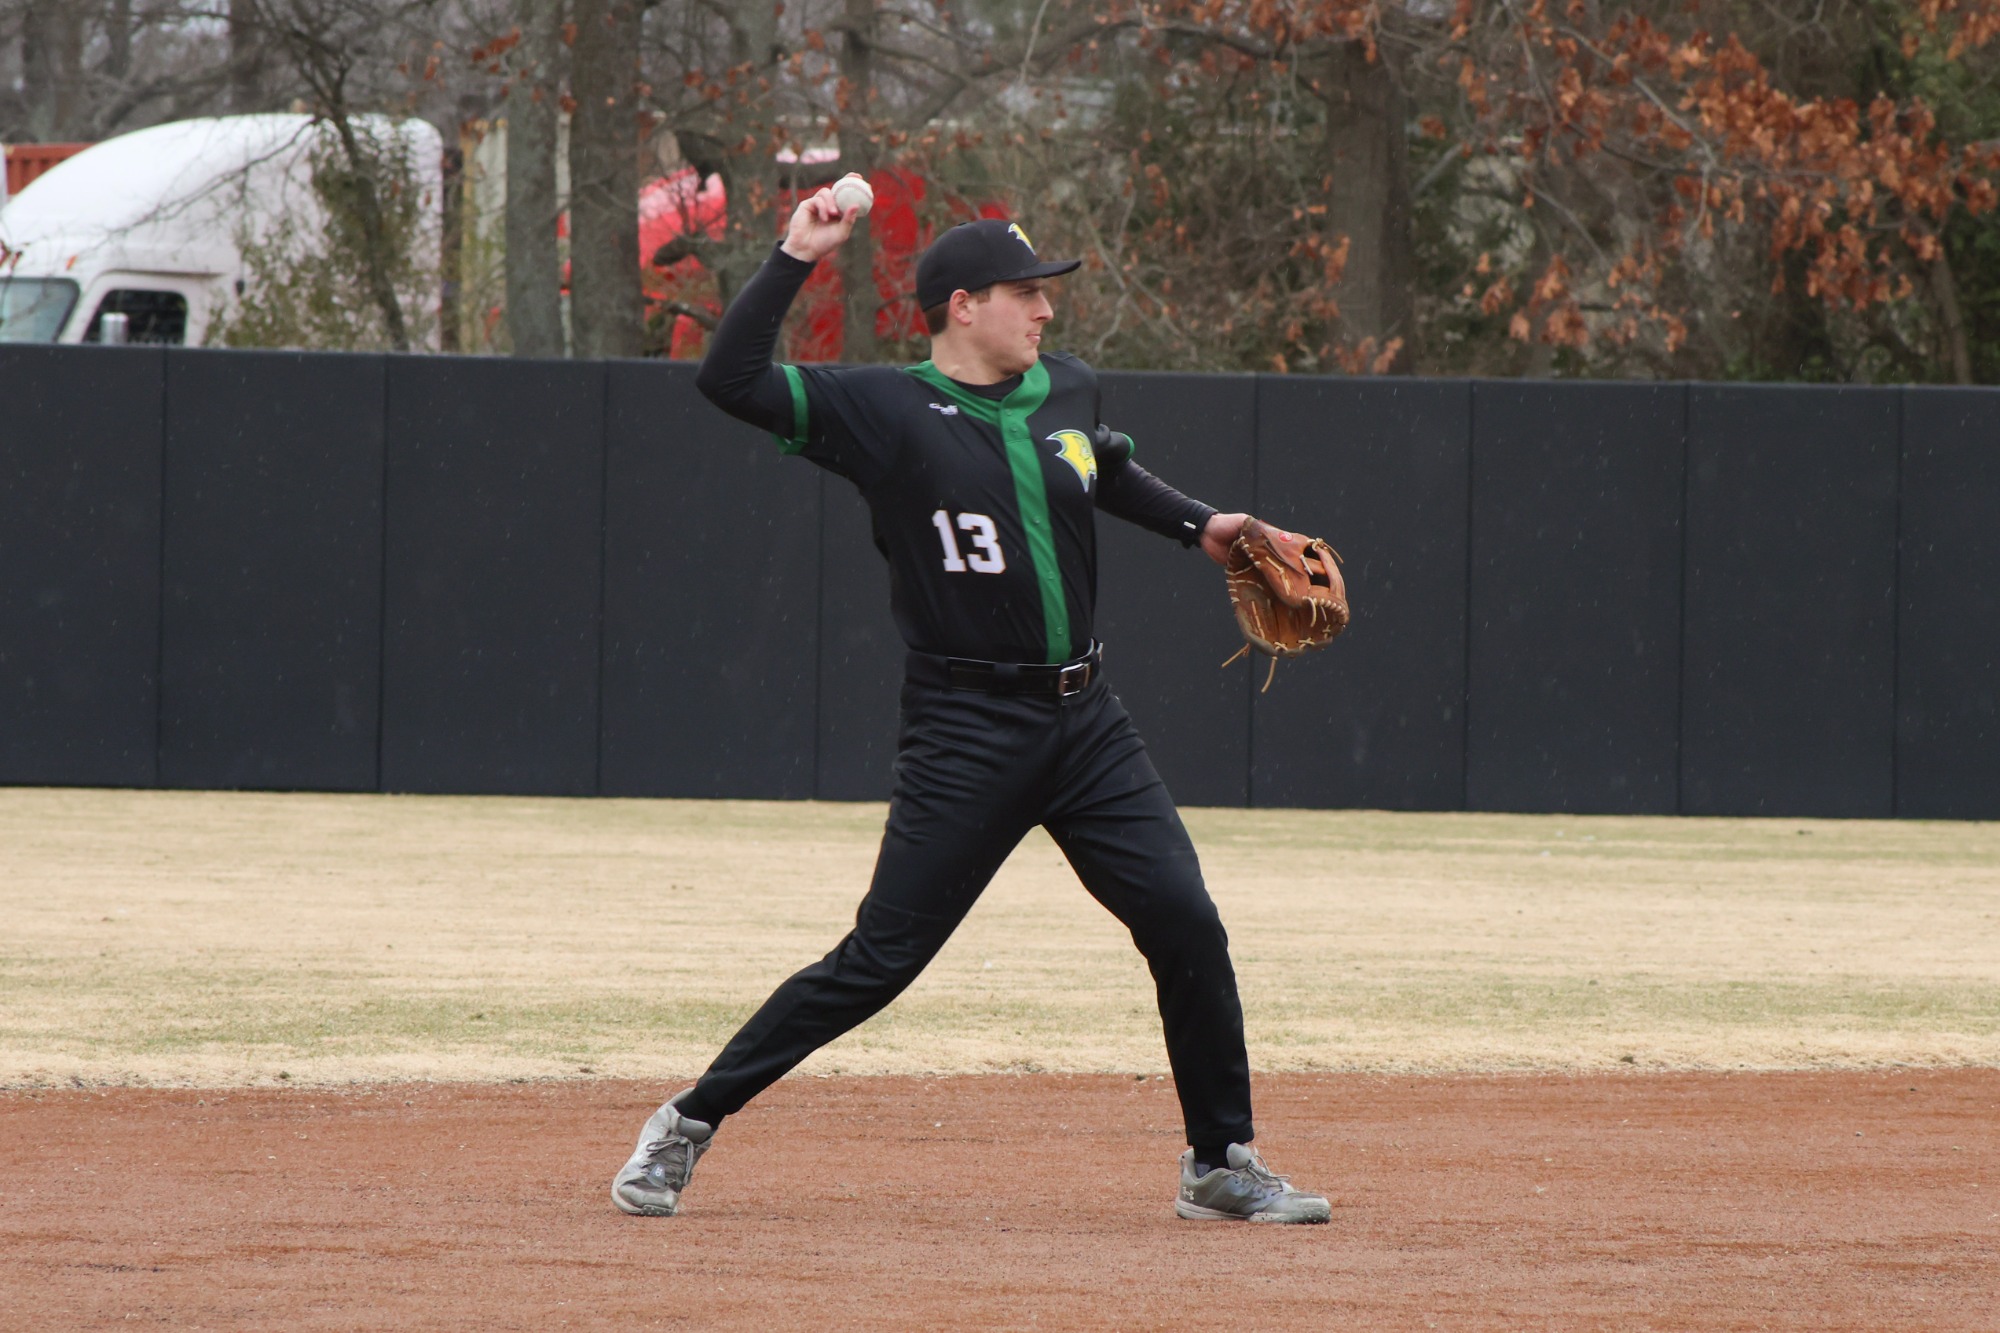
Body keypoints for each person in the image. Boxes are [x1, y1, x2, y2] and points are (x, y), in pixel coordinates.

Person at [611, 180, 1330, 1225]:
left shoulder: (1067, 389)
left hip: (1087, 722)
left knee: (1185, 920)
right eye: (1022, 292)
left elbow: (1104, 467)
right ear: (960, 305)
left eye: (1044, 294)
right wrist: (795, 253)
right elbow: (729, 379)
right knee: (879, 959)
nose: (1044, 310)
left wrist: (1200, 525)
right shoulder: (881, 408)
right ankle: (686, 1120)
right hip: (965, 727)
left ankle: (1218, 1159)